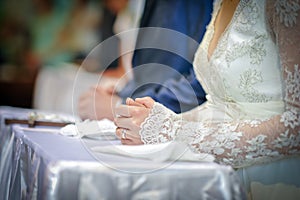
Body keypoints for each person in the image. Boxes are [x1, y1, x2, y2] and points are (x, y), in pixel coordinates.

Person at [114, 0, 300, 168]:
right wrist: (161, 119)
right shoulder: (221, 3)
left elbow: (296, 128)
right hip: (218, 169)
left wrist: (171, 130)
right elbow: (220, 105)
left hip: (270, 176)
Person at [78, 0, 213, 120]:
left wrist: (120, 107)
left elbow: (199, 84)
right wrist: (123, 93)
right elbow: (150, 74)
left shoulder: (186, 5)